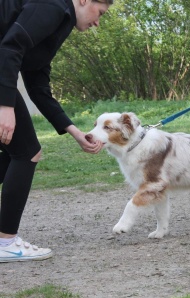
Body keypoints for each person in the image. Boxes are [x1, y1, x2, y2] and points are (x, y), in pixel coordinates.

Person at [0, 0, 113, 262]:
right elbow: (10, 47)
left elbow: (38, 86)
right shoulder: (53, 6)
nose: (98, 22)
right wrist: (5, 106)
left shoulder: (59, 21)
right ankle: (6, 242)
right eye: (100, 13)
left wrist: (75, 132)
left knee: (14, 153)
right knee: (27, 153)